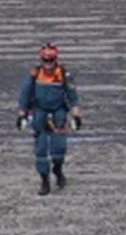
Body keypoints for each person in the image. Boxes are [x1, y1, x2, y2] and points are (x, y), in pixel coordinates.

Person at [16, 43, 82, 196]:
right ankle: (44, 181)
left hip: (59, 113)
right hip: (40, 113)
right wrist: (21, 115)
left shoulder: (64, 75)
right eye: (45, 60)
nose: (48, 64)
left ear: (55, 59)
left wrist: (76, 116)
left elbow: (73, 97)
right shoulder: (34, 75)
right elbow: (24, 95)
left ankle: (58, 170)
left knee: (59, 148)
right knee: (40, 150)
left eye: (51, 60)